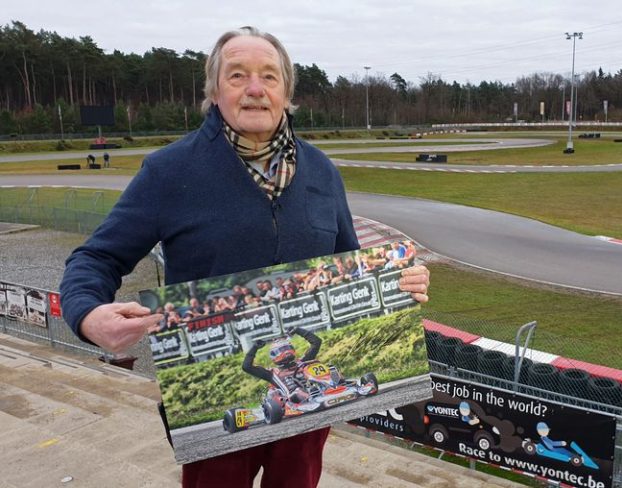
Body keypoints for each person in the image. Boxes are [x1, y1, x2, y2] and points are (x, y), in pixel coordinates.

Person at [59, 26, 429, 488]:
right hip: (216, 415)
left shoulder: (322, 172)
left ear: (286, 93)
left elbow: (349, 266)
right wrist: (87, 315)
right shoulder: (169, 171)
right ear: (214, 91)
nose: (255, 88)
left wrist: (396, 283)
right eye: (237, 75)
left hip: (307, 425)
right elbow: (95, 258)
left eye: (269, 76)